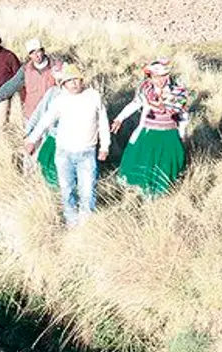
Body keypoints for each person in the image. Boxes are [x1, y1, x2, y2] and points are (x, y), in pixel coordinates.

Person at [25, 65, 110, 227]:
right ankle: (71, 222)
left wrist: (105, 146)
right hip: (64, 153)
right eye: (68, 81)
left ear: (82, 80)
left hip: (87, 151)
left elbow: (103, 122)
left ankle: (86, 225)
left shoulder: (93, 96)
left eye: (76, 79)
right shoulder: (60, 100)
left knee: (87, 191)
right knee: (67, 190)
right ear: (63, 84)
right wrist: (32, 140)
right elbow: (45, 120)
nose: (73, 84)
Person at [112, 58, 190, 197]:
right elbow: (135, 104)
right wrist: (120, 118)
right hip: (148, 132)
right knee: (142, 161)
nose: (160, 80)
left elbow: (183, 116)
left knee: (165, 164)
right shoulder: (146, 89)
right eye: (156, 77)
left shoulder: (178, 92)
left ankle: (161, 193)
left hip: (168, 133)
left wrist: (182, 134)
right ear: (150, 77)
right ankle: (141, 192)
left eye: (163, 76)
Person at [0, 38, 64, 122]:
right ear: (29, 55)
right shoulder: (25, 70)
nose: (36, 55)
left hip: (52, 113)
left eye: (38, 51)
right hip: (32, 115)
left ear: (43, 51)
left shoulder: (57, 66)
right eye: (32, 53)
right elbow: (11, 85)